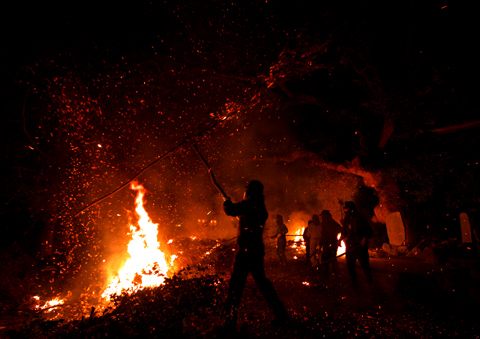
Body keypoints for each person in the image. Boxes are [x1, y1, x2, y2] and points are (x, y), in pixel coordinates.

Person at [222, 180, 289, 332]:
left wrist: (226, 201)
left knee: (235, 286)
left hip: (246, 251)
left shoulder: (251, 203)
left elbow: (231, 210)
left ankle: (229, 324)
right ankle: (281, 316)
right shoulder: (258, 205)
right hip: (255, 250)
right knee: (263, 284)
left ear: (250, 192)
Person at [340, 201, 374, 288]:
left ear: (351, 209)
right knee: (350, 266)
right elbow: (344, 230)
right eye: (345, 209)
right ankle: (354, 284)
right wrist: (341, 238)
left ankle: (369, 283)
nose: (345, 210)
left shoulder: (360, 218)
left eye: (347, 208)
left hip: (360, 247)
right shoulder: (346, 218)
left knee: (365, 265)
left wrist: (364, 239)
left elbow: (368, 231)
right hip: (350, 246)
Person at [319, 210, 342, 277]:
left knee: (326, 258)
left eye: (322, 215)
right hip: (333, 243)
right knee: (333, 257)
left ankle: (326, 274)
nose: (322, 217)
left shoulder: (325, 222)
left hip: (328, 243)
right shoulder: (332, 221)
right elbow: (340, 229)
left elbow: (323, 235)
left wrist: (320, 244)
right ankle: (336, 273)